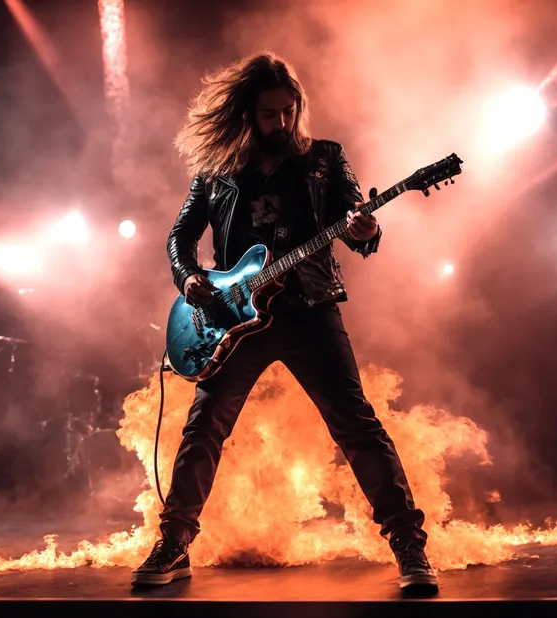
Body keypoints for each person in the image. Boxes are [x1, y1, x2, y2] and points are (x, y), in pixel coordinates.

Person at [131, 52, 436, 591]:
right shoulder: (219, 168)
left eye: (289, 112)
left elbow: (354, 224)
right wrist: (191, 280)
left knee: (357, 427)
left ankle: (410, 546)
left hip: (310, 309)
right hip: (234, 316)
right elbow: (180, 237)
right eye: (270, 114)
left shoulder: (323, 159)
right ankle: (175, 544)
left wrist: (363, 231)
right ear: (247, 113)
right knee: (203, 429)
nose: (282, 123)